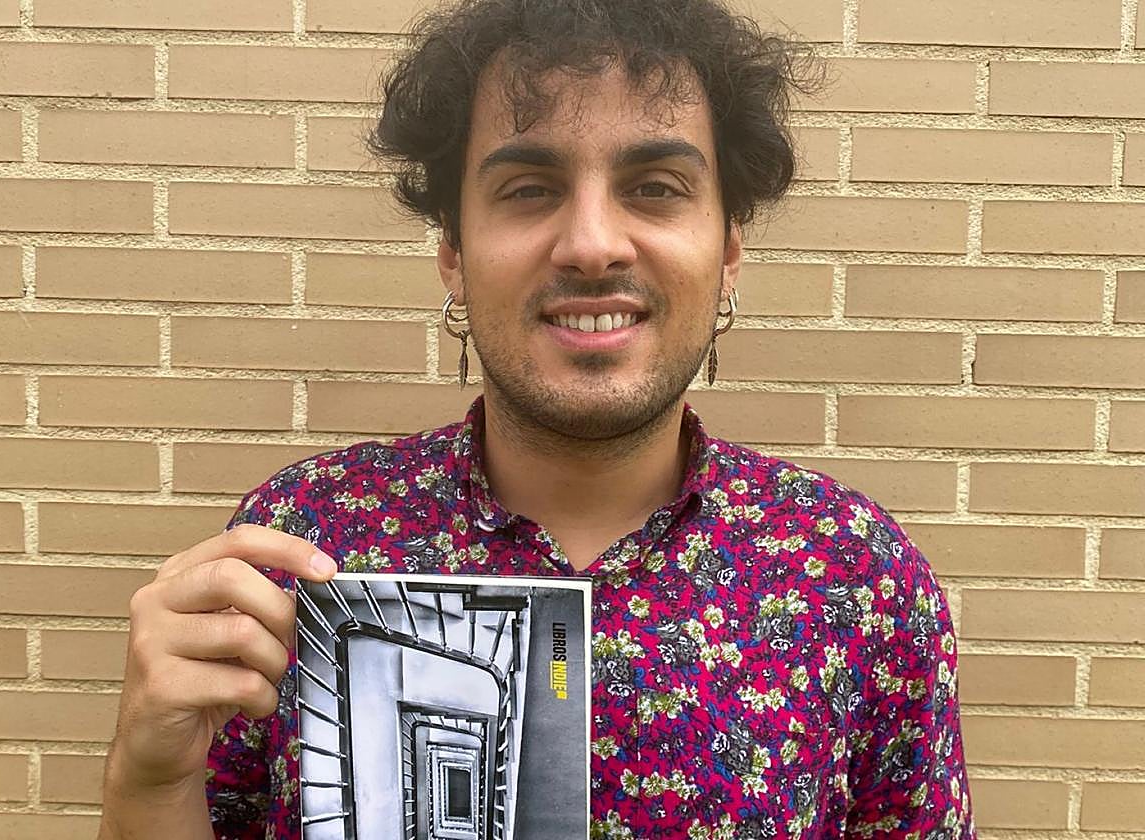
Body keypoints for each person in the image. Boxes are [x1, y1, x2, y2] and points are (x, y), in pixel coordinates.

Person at [98, 0, 976, 838]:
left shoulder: (857, 578)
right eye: (528, 189)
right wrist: (150, 782)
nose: (592, 244)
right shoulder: (300, 547)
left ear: (729, 251)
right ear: (453, 251)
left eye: (656, 187)